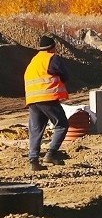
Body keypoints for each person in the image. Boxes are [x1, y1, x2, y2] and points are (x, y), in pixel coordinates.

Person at [24, 35, 70, 171]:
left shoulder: (34, 60)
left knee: (36, 130)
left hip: (32, 99)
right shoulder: (52, 58)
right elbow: (65, 75)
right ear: (53, 47)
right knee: (61, 124)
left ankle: (34, 161)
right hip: (48, 97)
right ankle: (51, 153)